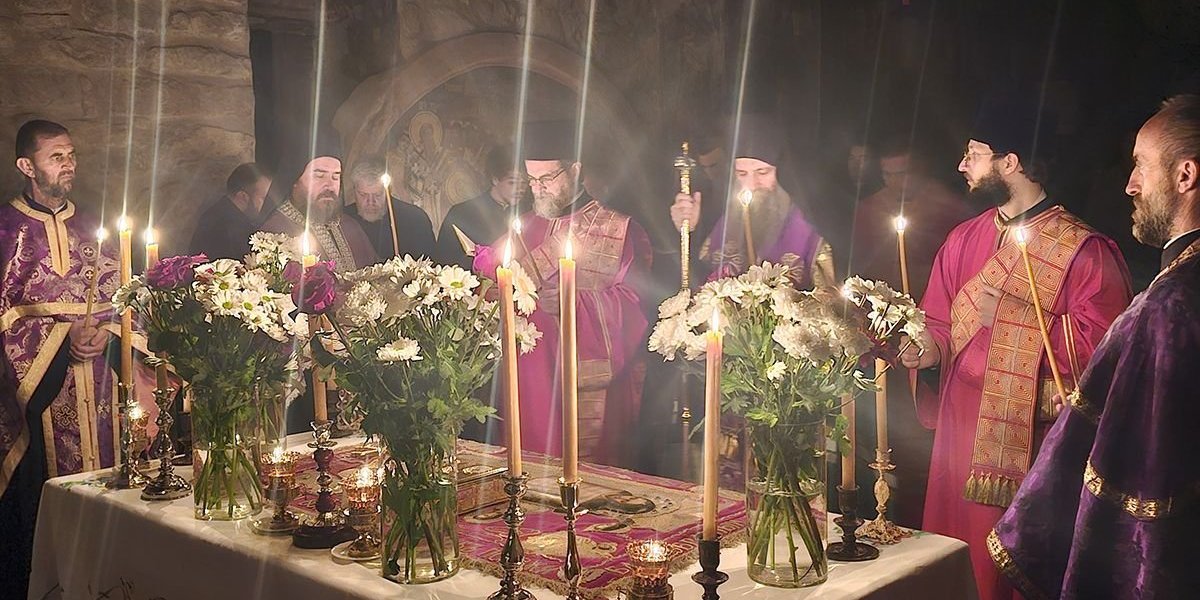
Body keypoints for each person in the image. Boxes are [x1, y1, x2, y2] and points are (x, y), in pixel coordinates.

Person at [898, 104, 1133, 600]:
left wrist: (1013, 317)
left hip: (1030, 441)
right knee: (954, 564)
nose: (962, 165)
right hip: (959, 434)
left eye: (974, 154)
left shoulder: (1084, 251)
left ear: (1011, 162)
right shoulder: (963, 239)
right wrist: (928, 350)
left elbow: (1107, 351)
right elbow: (937, 320)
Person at [989, 94, 1200, 599]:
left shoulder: (1170, 305)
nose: (1130, 185)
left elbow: (1146, 478)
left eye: (1140, 166)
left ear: (1185, 175)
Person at [472, 121, 652, 468]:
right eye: (532, 180)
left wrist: (574, 303)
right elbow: (488, 292)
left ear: (575, 171)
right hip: (526, 385)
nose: (538, 188)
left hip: (583, 385)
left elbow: (634, 304)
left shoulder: (617, 229)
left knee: (586, 479)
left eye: (548, 178)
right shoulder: (521, 227)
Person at [0, 120, 125, 596]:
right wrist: (60, 339)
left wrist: (107, 332)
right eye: (57, 156)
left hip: (103, 382)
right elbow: (5, 318)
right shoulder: (5, 231)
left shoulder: (95, 226)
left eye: (71, 154)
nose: (69, 163)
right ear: (27, 165)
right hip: (39, 398)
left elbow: (128, 299)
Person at [670, 116, 834, 288]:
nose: (751, 184)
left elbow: (829, 298)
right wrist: (689, 230)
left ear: (782, 172)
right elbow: (700, 282)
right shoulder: (721, 221)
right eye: (742, 173)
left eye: (762, 172)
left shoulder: (811, 230)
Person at [258, 142, 377, 273]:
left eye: (335, 177)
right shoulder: (273, 234)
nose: (330, 186)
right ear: (294, 181)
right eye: (319, 176)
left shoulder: (350, 226)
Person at [435, 146, 528, 269]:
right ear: (495, 179)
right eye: (513, 182)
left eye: (524, 183)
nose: (520, 189)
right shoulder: (462, 214)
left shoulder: (527, 214)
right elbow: (445, 263)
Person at [347, 160, 435, 260]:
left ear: (389, 190)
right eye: (363, 195)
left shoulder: (415, 219)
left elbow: (429, 264)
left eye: (377, 195)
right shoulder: (342, 221)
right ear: (354, 190)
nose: (371, 202)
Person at [188, 162, 272, 259]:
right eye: (263, 198)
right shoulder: (229, 229)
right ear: (243, 197)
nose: (267, 205)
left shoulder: (220, 211)